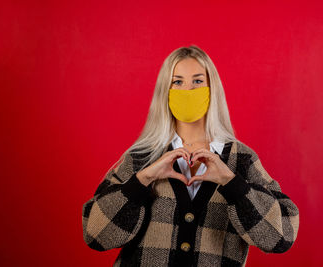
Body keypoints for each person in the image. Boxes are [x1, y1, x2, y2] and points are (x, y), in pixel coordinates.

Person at [82, 45, 300, 267]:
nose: (187, 90)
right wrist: (143, 180)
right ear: (165, 90)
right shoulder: (141, 157)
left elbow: (282, 237)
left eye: (197, 81)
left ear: (211, 88)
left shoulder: (241, 159)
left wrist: (232, 183)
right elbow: (96, 234)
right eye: (177, 82)